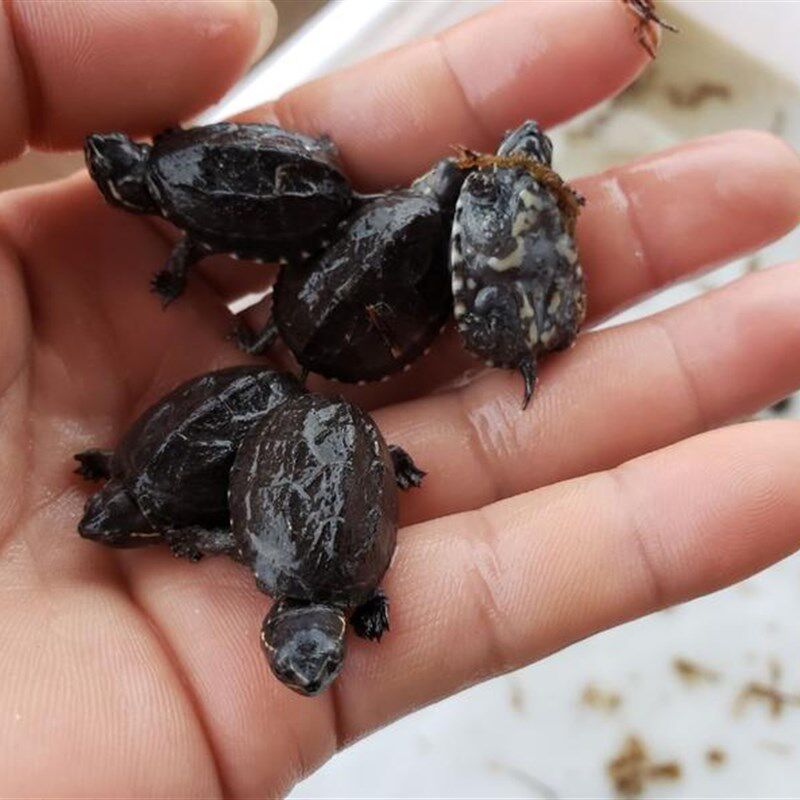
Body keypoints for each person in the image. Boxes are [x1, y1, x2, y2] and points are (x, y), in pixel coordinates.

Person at [0, 1, 798, 796]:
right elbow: (262, 518)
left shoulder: (274, 558)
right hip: (326, 353)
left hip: (328, 345)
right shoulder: (280, 561)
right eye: (328, 656)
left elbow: (247, 521)